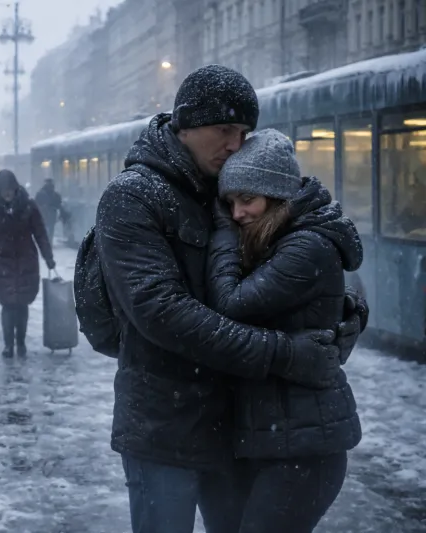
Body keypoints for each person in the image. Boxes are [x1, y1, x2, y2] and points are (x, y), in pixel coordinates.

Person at [92, 65, 367, 533]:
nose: (236, 143)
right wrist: (286, 354)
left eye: (243, 131)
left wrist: (345, 313)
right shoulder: (132, 196)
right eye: (224, 129)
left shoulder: (230, 186)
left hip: (235, 425)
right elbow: (162, 312)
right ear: (185, 125)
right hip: (166, 426)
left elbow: (308, 250)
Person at [208, 129, 363, 533]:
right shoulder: (277, 241)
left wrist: (223, 232)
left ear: (277, 197)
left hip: (304, 449)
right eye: (229, 203)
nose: (237, 213)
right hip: (277, 440)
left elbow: (231, 304)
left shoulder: (305, 246)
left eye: (247, 200)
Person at [0, 169, 55, 357]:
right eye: (4, 189)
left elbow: (40, 233)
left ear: (15, 188)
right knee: (8, 305)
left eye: (10, 189)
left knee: (21, 304)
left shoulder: (29, 206)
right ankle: (8, 344)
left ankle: (20, 342)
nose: (7, 193)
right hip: (2, 262)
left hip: (26, 261)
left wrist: (49, 258)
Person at [34, 178, 63, 243]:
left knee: (46, 228)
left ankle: (47, 241)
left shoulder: (40, 193)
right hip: (50, 214)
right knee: (50, 228)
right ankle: (48, 241)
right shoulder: (55, 194)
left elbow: (36, 203)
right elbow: (59, 204)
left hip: (46, 214)